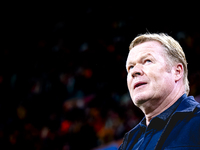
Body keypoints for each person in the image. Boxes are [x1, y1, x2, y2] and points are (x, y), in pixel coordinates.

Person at [118, 33, 200, 150]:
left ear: (177, 72)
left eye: (147, 61)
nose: (134, 71)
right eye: (130, 67)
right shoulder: (129, 142)